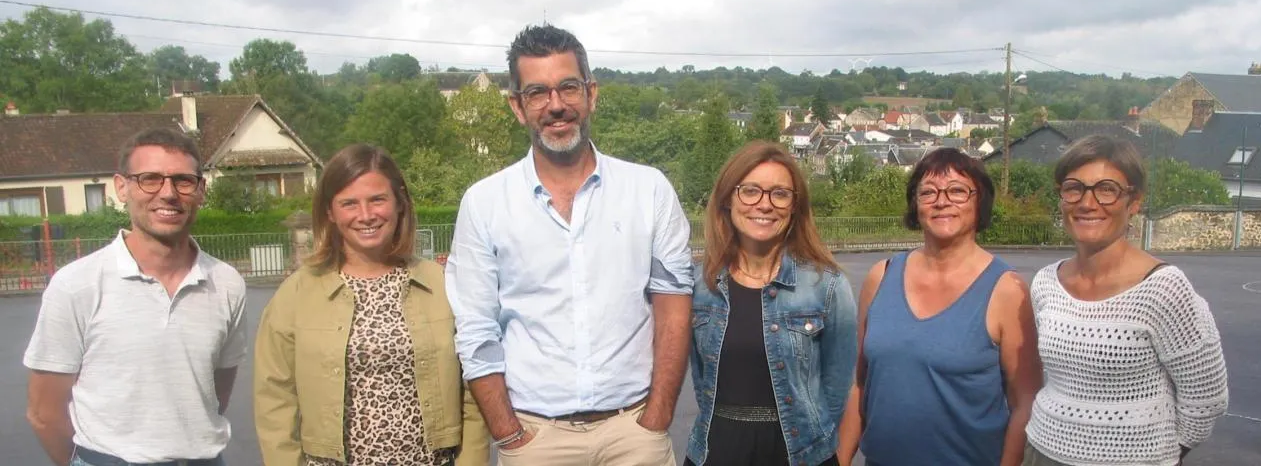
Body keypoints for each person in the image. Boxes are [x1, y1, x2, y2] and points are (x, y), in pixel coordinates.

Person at [445, 23, 695, 466]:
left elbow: (673, 310)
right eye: (537, 92)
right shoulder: (484, 203)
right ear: (518, 106)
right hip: (536, 439)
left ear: (591, 93)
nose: (556, 105)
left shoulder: (649, 190)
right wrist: (509, 435)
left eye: (568, 87)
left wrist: (657, 417)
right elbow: (476, 329)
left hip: (634, 433)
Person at [254, 144, 489, 466]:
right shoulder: (297, 294)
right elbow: (274, 399)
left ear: (400, 203)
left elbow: (473, 391)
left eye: (377, 199)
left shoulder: (442, 285)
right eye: (349, 203)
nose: (365, 215)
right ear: (330, 212)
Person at [23, 128, 246, 466]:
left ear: (201, 190)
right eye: (149, 179)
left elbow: (214, 395)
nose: (168, 193)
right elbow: (44, 413)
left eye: (183, 181)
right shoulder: (76, 285)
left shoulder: (227, 284)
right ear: (121, 187)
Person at [1022, 135, 1229, 466]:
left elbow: (1206, 398)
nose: (1087, 203)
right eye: (1074, 188)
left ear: (1133, 203)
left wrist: (1159, 454)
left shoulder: (1164, 288)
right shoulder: (1046, 283)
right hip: (1043, 452)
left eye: (1107, 190)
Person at [835, 147, 1042, 466]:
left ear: (980, 202)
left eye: (957, 191)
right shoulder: (881, 277)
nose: (941, 201)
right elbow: (861, 386)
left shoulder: (1006, 290)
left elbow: (1024, 401)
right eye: (928, 192)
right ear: (915, 204)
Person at [684, 141, 856, 466]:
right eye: (750, 191)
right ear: (728, 199)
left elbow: (836, 391)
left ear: (794, 206)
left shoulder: (827, 286)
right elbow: (699, 376)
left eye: (780, 194)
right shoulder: (700, 285)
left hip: (801, 455)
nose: (764, 205)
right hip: (717, 452)